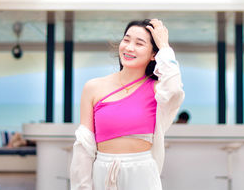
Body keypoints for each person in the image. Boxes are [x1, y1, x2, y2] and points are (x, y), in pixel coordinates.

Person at [70, 19, 185, 190]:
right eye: (126, 39)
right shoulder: (93, 87)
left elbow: (174, 89)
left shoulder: (157, 90)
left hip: (142, 173)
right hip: (103, 172)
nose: (129, 47)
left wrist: (165, 47)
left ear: (154, 54)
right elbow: (84, 146)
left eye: (139, 43)